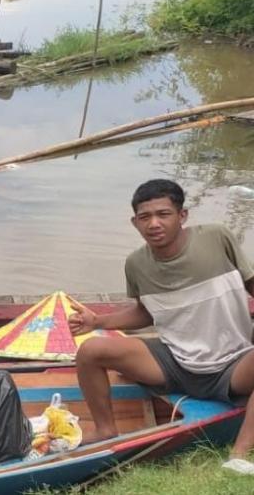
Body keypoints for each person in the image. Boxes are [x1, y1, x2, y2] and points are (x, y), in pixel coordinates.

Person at [71, 179, 254, 474]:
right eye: (145, 217)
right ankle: (105, 430)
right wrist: (97, 322)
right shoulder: (136, 264)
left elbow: (250, 283)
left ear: (182, 216)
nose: (154, 224)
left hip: (233, 364)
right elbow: (145, 313)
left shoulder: (216, 238)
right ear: (135, 222)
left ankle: (239, 456)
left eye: (163, 214)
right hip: (174, 363)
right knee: (91, 350)